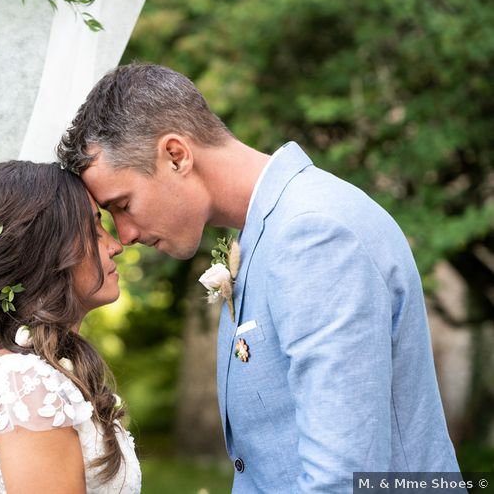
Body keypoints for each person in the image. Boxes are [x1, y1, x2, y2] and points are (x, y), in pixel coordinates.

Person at [55, 64, 461, 492]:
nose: (127, 234)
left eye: (123, 204)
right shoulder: (268, 231)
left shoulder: (314, 233)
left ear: (176, 155)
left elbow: (341, 477)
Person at [0, 161, 141, 494]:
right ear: (47, 252)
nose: (115, 245)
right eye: (94, 230)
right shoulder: (27, 386)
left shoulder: (33, 374)